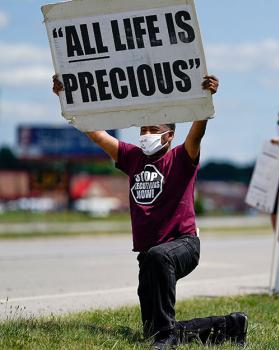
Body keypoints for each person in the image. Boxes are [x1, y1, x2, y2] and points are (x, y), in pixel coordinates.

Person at [52, 75, 248, 350]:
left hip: (183, 244)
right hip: (151, 254)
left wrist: (206, 100)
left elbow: (197, 133)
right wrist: (66, 98)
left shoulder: (181, 157)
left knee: (158, 263)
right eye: (143, 130)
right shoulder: (133, 157)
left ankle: (168, 338)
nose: (145, 135)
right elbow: (95, 133)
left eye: (153, 130)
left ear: (169, 135)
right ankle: (231, 326)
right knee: (152, 330)